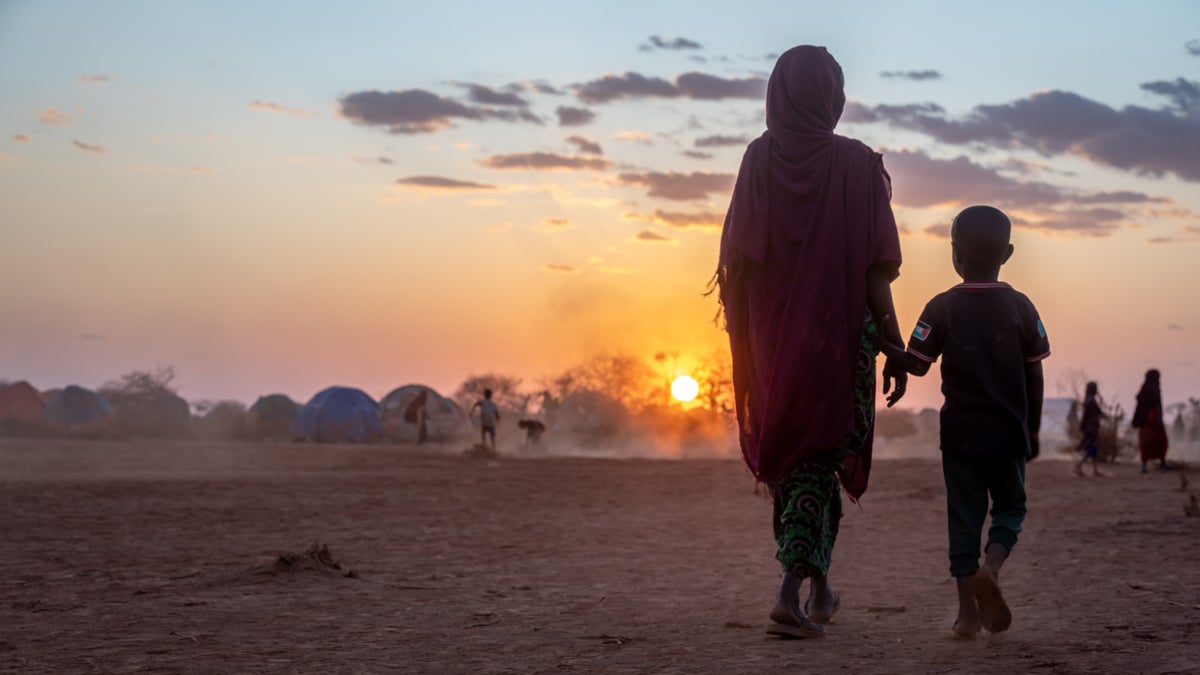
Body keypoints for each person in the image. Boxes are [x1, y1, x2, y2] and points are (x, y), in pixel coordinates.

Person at [712, 45, 907, 639]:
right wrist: (894, 343)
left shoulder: (758, 158)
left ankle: (820, 589)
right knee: (819, 458)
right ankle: (788, 591)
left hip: (771, 343)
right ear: (830, 98)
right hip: (839, 340)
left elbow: (736, 264)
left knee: (802, 461)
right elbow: (876, 270)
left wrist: (748, 345)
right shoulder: (858, 164)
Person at [878, 205, 1049, 638]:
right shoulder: (1022, 307)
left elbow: (917, 364)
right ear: (1007, 254)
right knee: (1011, 508)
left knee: (963, 519)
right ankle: (992, 567)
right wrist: (1032, 427)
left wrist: (879, 342)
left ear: (955, 253)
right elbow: (1035, 372)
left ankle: (967, 616)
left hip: (959, 437)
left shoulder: (941, 307)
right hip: (1008, 434)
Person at [1132, 369, 1170, 473]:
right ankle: (1162, 464)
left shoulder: (1144, 390)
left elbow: (1140, 407)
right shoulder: (1154, 390)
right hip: (1153, 422)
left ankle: (1145, 466)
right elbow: (1156, 407)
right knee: (1160, 442)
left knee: (1146, 444)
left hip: (1145, 422)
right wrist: (1158, 419)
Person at [1074, 382, 1106, 477]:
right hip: (1091, 428)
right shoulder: (1091, 401)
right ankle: (1079, 465)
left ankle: (1095, 470)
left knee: (1094, 448)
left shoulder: (1088, 400)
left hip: (1090, 427)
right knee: (1092, 448)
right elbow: (1092, 413)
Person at [470, 389, 500, 453]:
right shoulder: (493, 404)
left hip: (484, 419)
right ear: (491, 396)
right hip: (490, 420)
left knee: (483, 432)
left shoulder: (483, 402)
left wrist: (471, 412)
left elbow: (475, 404)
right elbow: (496, 413)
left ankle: (484, 445)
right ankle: (493, 448)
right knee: (492, 435)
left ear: (485, 395)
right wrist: (498, 418)